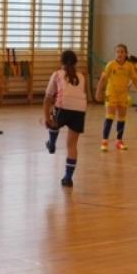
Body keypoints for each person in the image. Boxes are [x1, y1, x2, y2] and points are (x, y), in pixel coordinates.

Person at [44, 50, 88, 187]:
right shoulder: (81, 76)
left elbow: (48, 98)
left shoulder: (57, 74)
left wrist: (46, 118)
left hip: (63, 106)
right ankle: (68, 178)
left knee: (54, 122)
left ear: (61, 61)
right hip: (80, 110)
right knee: (72, 145)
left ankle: (52, 143)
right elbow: (83, 94)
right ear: (76, 62)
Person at [95, 43, 137, 151]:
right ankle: (104, 142)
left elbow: (135, 80)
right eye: (117, 52)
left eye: (122, 52)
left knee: (122, 118)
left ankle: (119, 141)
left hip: (123, 95)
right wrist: (98, 92)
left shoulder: (129, 66)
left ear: (126, 54)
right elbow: (103, 79)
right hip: (111, 93)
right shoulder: (111, 65)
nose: (119, 54)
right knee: (110, 117)